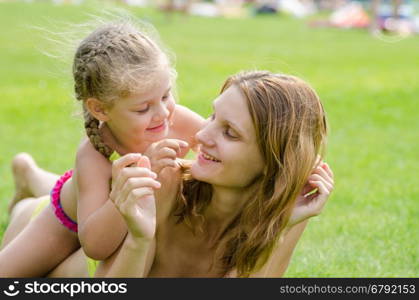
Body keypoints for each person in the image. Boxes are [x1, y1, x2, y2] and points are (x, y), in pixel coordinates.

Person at [38, 70, 334, 277]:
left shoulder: (287, 211)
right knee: (40, 220)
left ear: (273, 161)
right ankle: (32, 180)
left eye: (229, 132)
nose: (202, 134)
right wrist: (139, 239)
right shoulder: (163, 182)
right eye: (212, 116)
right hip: (65, 237)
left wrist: (283, 226)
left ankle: (36, 178)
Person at [0, 20, 205, 277]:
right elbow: (96, 247)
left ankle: (29, 174)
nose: (163, 113)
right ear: (100, 109)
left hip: (94, 207)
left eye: (166, 95)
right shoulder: (94, 155)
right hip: (68, 223)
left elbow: (226, 153)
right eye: (143, 108)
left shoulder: (181, 122)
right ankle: (26, 194)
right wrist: (138, 179)